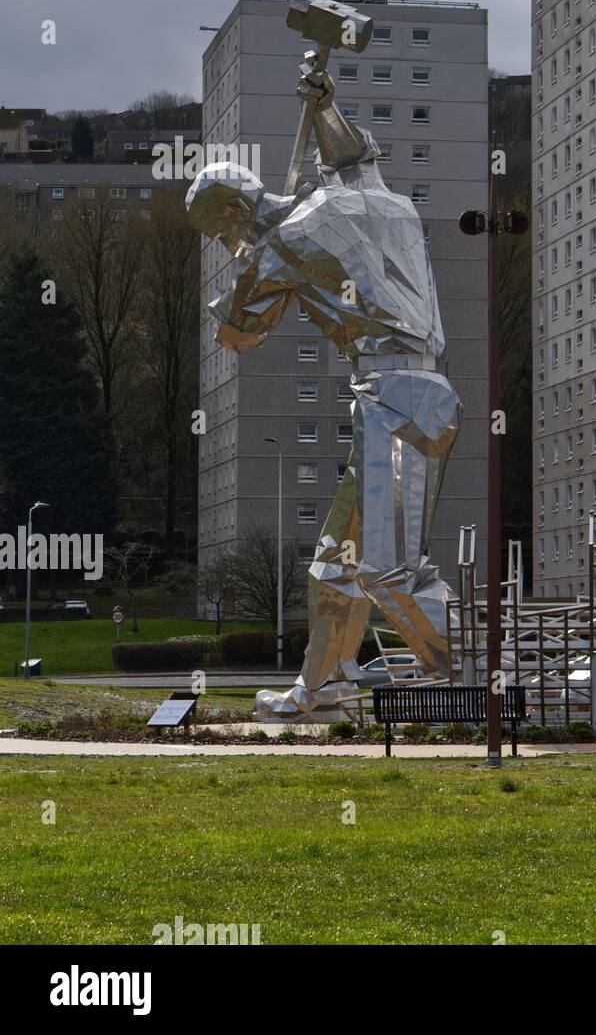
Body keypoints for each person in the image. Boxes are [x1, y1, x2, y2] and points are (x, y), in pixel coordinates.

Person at [187, 55, 461, 722]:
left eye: (220, 230)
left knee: (389, 568)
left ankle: (473, 673)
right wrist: (328, 105)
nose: (226, 238)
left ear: (231, 216)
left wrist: (240, 264)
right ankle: (325, 685)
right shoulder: (376, 198)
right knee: (337, 564)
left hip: (391, 397)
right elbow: (356, 158)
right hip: (423, 392)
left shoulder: (283, 242)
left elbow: (240, 334)